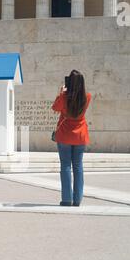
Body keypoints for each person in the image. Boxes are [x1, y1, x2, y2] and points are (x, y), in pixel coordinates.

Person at [52, 70, 92, 207]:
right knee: (78, 166)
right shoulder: (87, 96)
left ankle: (67, 199)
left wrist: (61, 92)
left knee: (65, 166)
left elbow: (55, 108)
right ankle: (77, 199)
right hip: (80, 135)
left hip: (65, 135)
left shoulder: (64, 97)